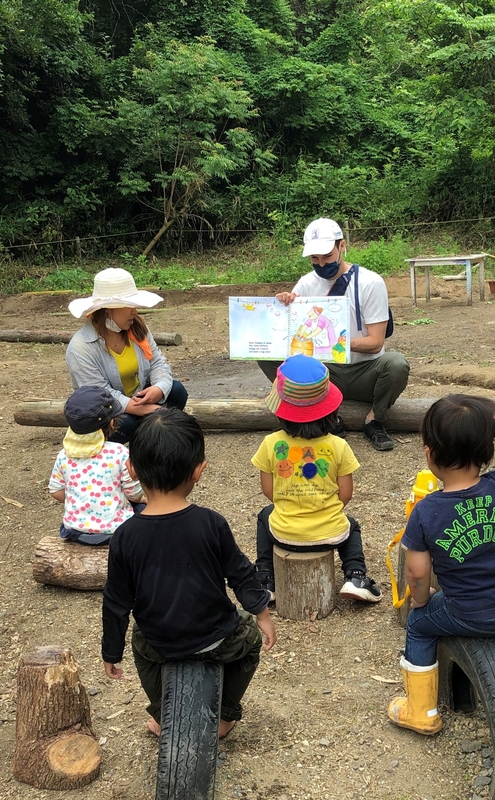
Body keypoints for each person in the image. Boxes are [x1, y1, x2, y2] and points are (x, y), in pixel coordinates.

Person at [101, 409, 276, 739]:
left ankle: (162, 712)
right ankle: (224, 716)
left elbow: (116, 602)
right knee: (250, 639)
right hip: (217, 638)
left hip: (158, 642)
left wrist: (111, 651)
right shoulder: (211, 523)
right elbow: (240, 571)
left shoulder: (124, 535)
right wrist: (262, 613)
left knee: (139, 645)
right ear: (199, 471)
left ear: (131, 468)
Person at [388, 395, 495, 735]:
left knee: (419, 624)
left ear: (430, 455)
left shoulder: (427, 510)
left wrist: (420, 601)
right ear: (487, 451)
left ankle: (421, 711)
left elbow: (417, 573)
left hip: (467, 613)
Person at [258, 218, 410, 451]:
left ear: (342, 247)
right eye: (314, 259)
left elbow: (376, 342)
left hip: (365, 371)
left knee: (396, 363)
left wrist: (332, 344)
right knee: (267, 355)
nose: (321, 264)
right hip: (325, 373)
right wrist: (283, 307)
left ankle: (374, 419)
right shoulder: (306, 284)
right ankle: (325, 417)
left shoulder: (370, 282)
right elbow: (291, 337)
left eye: (327, 257)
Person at [251, 355, 382, 603]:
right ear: (330, 409)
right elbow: (346, 494)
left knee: (264, 515)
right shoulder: (339, 445)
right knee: (351, 525)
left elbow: (269, 491)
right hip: (331, 533)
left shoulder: (270, 444)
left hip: (283, 533)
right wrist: (323, 508)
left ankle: (266, 579)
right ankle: (355, 575)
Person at [66, 268, 187, 444]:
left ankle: (151, 433)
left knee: (176, 391)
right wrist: (143, 409)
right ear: (108, 310)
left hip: (139, 396)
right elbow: (99, 393)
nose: (135, 311)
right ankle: (150, 432)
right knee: (124, 424)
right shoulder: (80, 348)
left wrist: (158, 388)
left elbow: (157, 362)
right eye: (129, 305)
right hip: (107, 408)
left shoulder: (137, 328)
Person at [49, 386, 144, 546]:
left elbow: (56, 491)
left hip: (75, 531)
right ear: (113, 422)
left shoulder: (64, 455)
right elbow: (133, 494)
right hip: (116, 530)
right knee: (142, 509)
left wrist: (81, 499)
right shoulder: (119, 452)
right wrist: (144, 499)